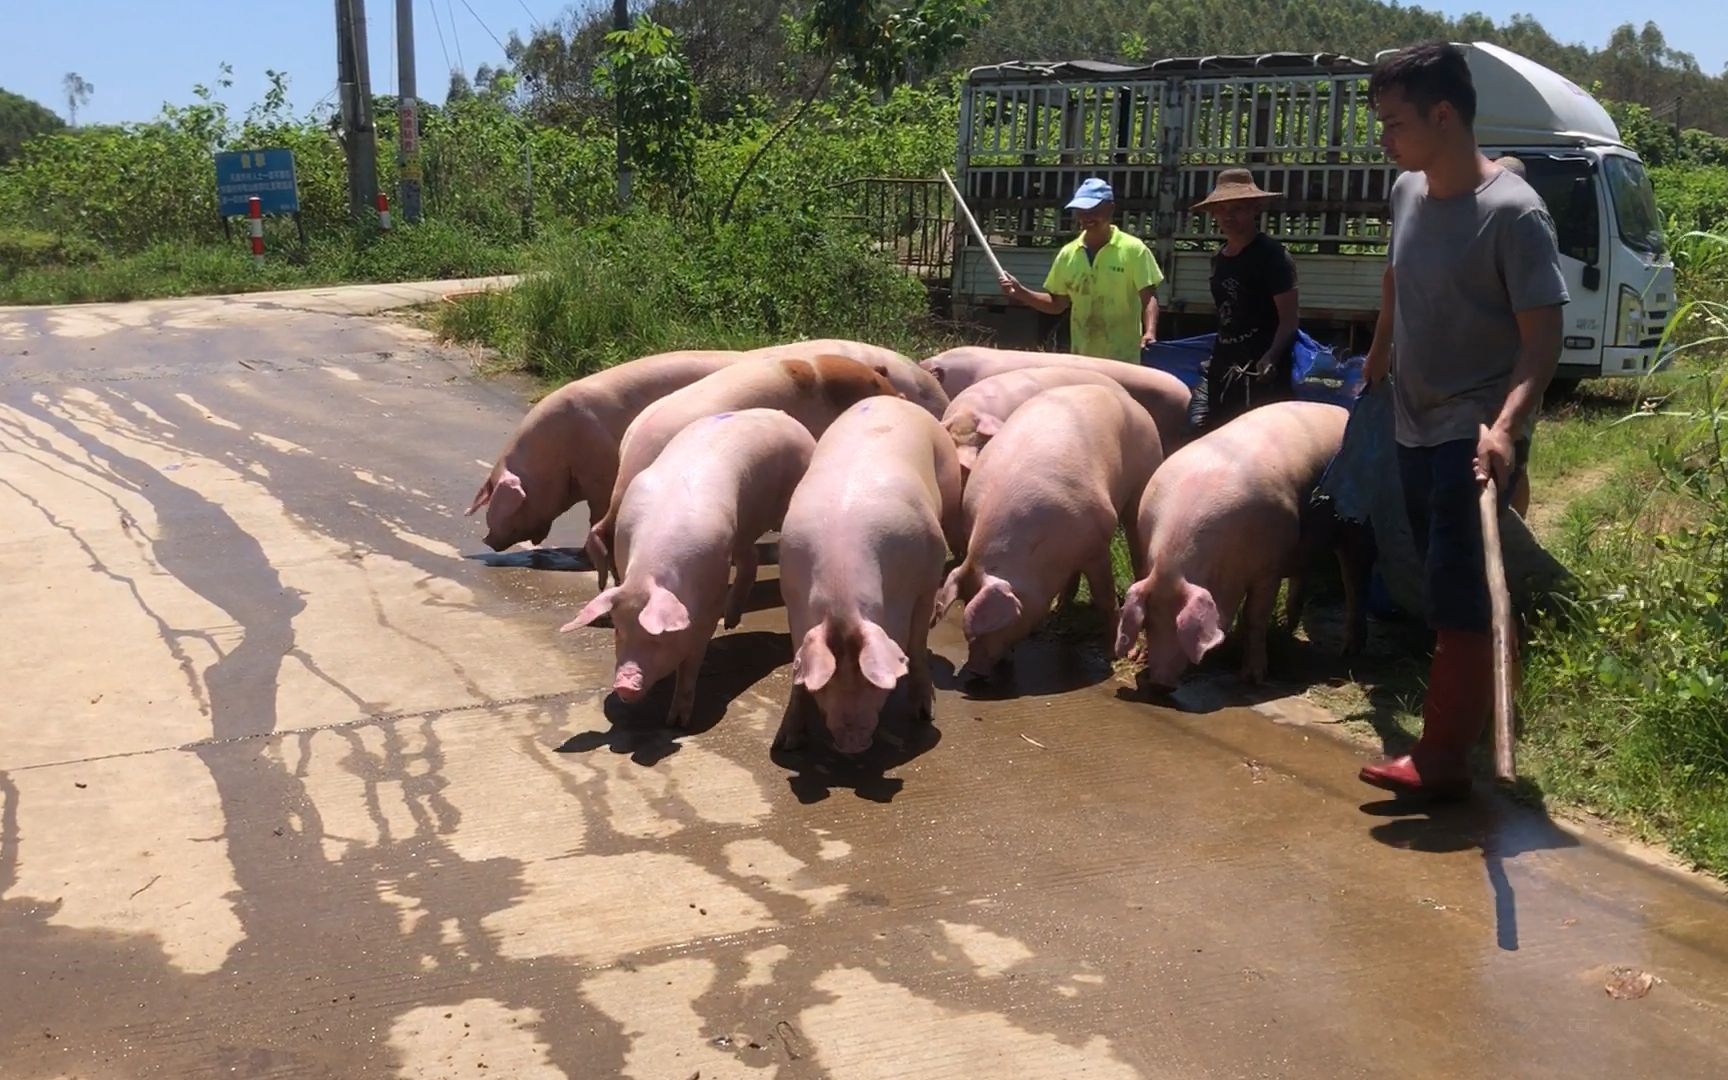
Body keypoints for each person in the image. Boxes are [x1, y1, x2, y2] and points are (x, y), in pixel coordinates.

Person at [1357, 43, 1569, 800]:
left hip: (1471, 429)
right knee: (1447, 577)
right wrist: (1377, 359)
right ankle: (1474, 718)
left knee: (1455, 587)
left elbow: (1542, 339)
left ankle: (1443, 755)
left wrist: (1507, 425)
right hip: (1412, 421)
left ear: (1444, 116)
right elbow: (1395, 281)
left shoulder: (1513, 215)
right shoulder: (1408, 192)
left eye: (1395, 122)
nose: (1386, 138)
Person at [998, 178, 1164, 362]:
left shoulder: (1134, 250)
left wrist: (1150, 331)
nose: (1086, 217)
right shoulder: (1068, 254)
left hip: (1124, 359)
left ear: (1110, 208)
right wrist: (1021, 292)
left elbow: (1148, 296)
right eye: (1081, 211)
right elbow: (1057, 305)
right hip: (1083, 359)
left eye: (1093, 210)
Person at [1188, 168, 1301, 431]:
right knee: (1202, 430)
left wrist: (1271, 356)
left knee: (1257, 438)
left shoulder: (1273, 256)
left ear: (1254, 209)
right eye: (1222, 209)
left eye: (1237, 208)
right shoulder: (1219, 258)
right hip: (1223, 364)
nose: (1229, 216)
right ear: (1213, 214)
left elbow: (1289, 321)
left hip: (1260, 371)